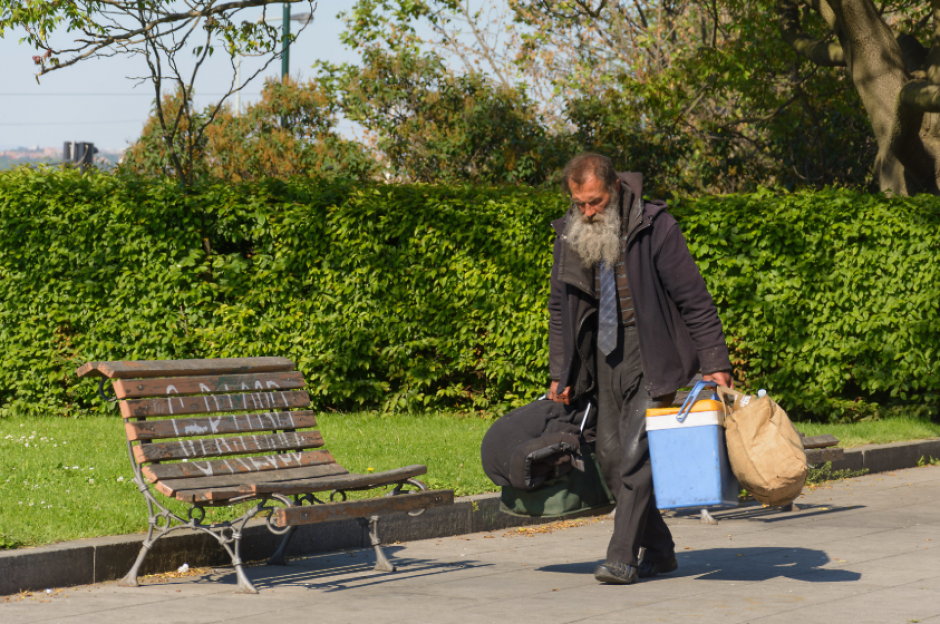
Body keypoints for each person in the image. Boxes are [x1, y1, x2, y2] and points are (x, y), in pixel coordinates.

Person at [546, 153, 733, 585]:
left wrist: (715, 363)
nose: (587, 213)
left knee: (635, 454)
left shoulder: (655, 226)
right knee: (609, 457)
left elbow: (694, 298)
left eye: (594, 202)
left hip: (653, 352)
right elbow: (560, 308)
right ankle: (661, 551)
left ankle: (622, 557)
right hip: (601, 356)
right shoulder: (570, 233)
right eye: (579, 204)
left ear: (613, 188)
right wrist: (561, 372)